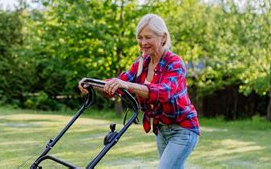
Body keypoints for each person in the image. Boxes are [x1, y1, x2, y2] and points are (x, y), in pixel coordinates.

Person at [78, 14, 200, 169]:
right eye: (140, 37)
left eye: (148, 37)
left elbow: (164, 92)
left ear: (163, 38)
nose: (143, 43)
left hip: (183, 129)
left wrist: (127, 85)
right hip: (162, 130)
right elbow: (118, 84)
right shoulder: (141, 63)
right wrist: (90, 83)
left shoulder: (175, 63)